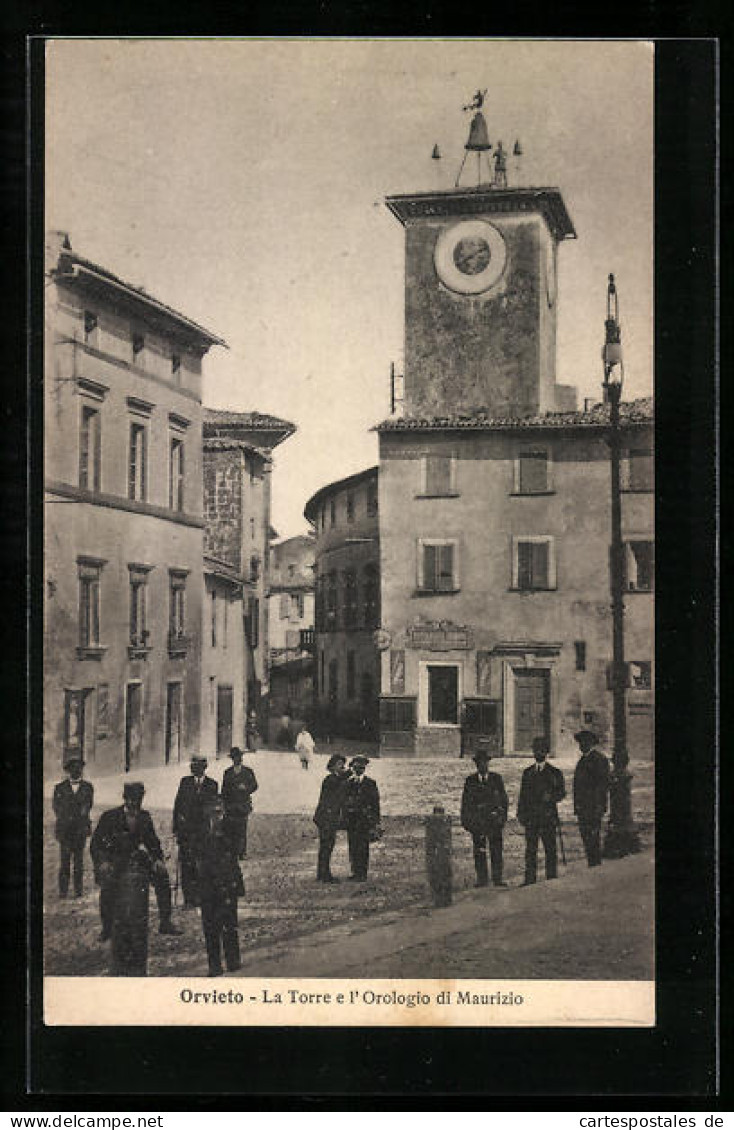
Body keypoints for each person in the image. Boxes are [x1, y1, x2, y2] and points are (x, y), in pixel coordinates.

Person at [90, 782, 181, 975]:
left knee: (162, 878)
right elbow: (96, 844)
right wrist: (103, 862)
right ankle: (107, 926)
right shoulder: (110, 817)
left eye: (138, 800)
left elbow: (152, 842)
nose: (134, 804)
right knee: (108, 888)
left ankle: (165, 921)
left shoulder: (144, 817)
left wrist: (157, 859)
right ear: (125, 799)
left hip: (136, 859)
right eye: (131, 800)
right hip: (114, 861)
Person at [196, 797, 244, 977]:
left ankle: (233, 960)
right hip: (207, 883)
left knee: (229, 923)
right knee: (209, 926)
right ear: (207, 811)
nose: (217, 816)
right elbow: (196, 852)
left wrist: (220, 837)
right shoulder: (201, 830)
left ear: (224, 810)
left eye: (219, 812)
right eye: (213, 812)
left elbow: (236, 849)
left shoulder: (231, 826)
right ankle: (214, 964)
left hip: (227, 881)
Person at [517, 736, 566, 885]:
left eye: (541, 750)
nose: (537, 753)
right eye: (535, 750)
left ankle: (551, 877)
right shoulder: (527, 773)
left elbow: (561, 792)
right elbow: (523, 795)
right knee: (530, 850)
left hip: (547, 817)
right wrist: (521, 813)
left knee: (550, 849)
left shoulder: (555, 773)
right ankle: (529, 879)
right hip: (531, 817)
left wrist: (551, 797)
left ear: (546, 752)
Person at [172, 756, 218, 907]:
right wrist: (176, 828)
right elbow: (177, 806)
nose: (194, 768)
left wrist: (214, 830)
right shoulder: (184, 782)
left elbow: (213, 809)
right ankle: (188, 898)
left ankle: (200, 896)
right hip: (186, 832)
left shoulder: (212, 785)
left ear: (204, 767)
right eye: (193, 766)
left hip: (203, 833)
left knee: (202, 865)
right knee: (186, 865)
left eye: (197, 766)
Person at [460, 749, 509, 888]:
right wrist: (467, 822)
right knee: (480, 851)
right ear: (476, 765)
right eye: (479, 763)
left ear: (488, 763)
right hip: (478, 822)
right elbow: (466, 803)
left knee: (496, 850)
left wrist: (502, 818)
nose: (482, 766)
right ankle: (482, 879)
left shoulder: (496, 779)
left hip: (494, 822)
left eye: (484, 763)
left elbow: (504, 800)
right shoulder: (470, 781)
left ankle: (497, 878)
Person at [52, 755, 94, 898]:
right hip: (65, 830)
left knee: (78, 861)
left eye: (79, 768)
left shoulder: (88, 787)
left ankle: (78, 890)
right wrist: (67, 817)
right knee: (64, 861)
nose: (77, 771)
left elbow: (88, 805)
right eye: (73, 768)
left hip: (80, 829)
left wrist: (82, 817)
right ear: (68, 771)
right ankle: (63, 891)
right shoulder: (59, 788)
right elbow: (56, 807)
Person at [572, 730, 611, 867]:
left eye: (585, 742)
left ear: (591, 743)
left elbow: (603, 785)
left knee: (593, 837)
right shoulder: (582, 761)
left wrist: (600, 807)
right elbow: (577, 787)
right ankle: (592, 863)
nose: (582, 745)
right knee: (586, 837)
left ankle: (595, 865)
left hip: (594, 807)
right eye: (581, 743)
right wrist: (576, 806)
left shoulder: (599, 760)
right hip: (583, 808)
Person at [343, 755, 381, 882]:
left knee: (363, 847)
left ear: (364, 769)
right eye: (356, 767)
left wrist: (376, 822)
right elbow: (343, 802)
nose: (359, 769)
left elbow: (375, 803)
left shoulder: (370, 783)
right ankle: (355, 871)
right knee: (353, 845)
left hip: (365, 820)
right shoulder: (348, 783)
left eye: (361, 767)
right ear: (352, 767)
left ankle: (362, 872)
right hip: (352, 820)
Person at [313, 754, 348, 882]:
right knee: (326, 846)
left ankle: (322, 873)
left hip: (327, 816)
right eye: (340, 764)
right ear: (333, 766)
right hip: (326, 817)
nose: (342, 766)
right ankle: (324, 874)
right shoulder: (330, 779)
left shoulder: (334, 779)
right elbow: (339, 787)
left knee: (327, 846)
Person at [221, 747, 258, 860]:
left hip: (243, 804)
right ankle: (232, 851)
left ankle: (242, 852)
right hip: (231, 805)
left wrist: (246, 788)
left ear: (241, 758)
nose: (237, 759)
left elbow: (255, 785)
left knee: (242, 828)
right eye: (234, 757)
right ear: (232, 759)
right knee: (231, 828)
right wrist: (224, 803)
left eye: (238, 757)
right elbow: (224, 789)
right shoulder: (227, 772)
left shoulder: (248, 772)